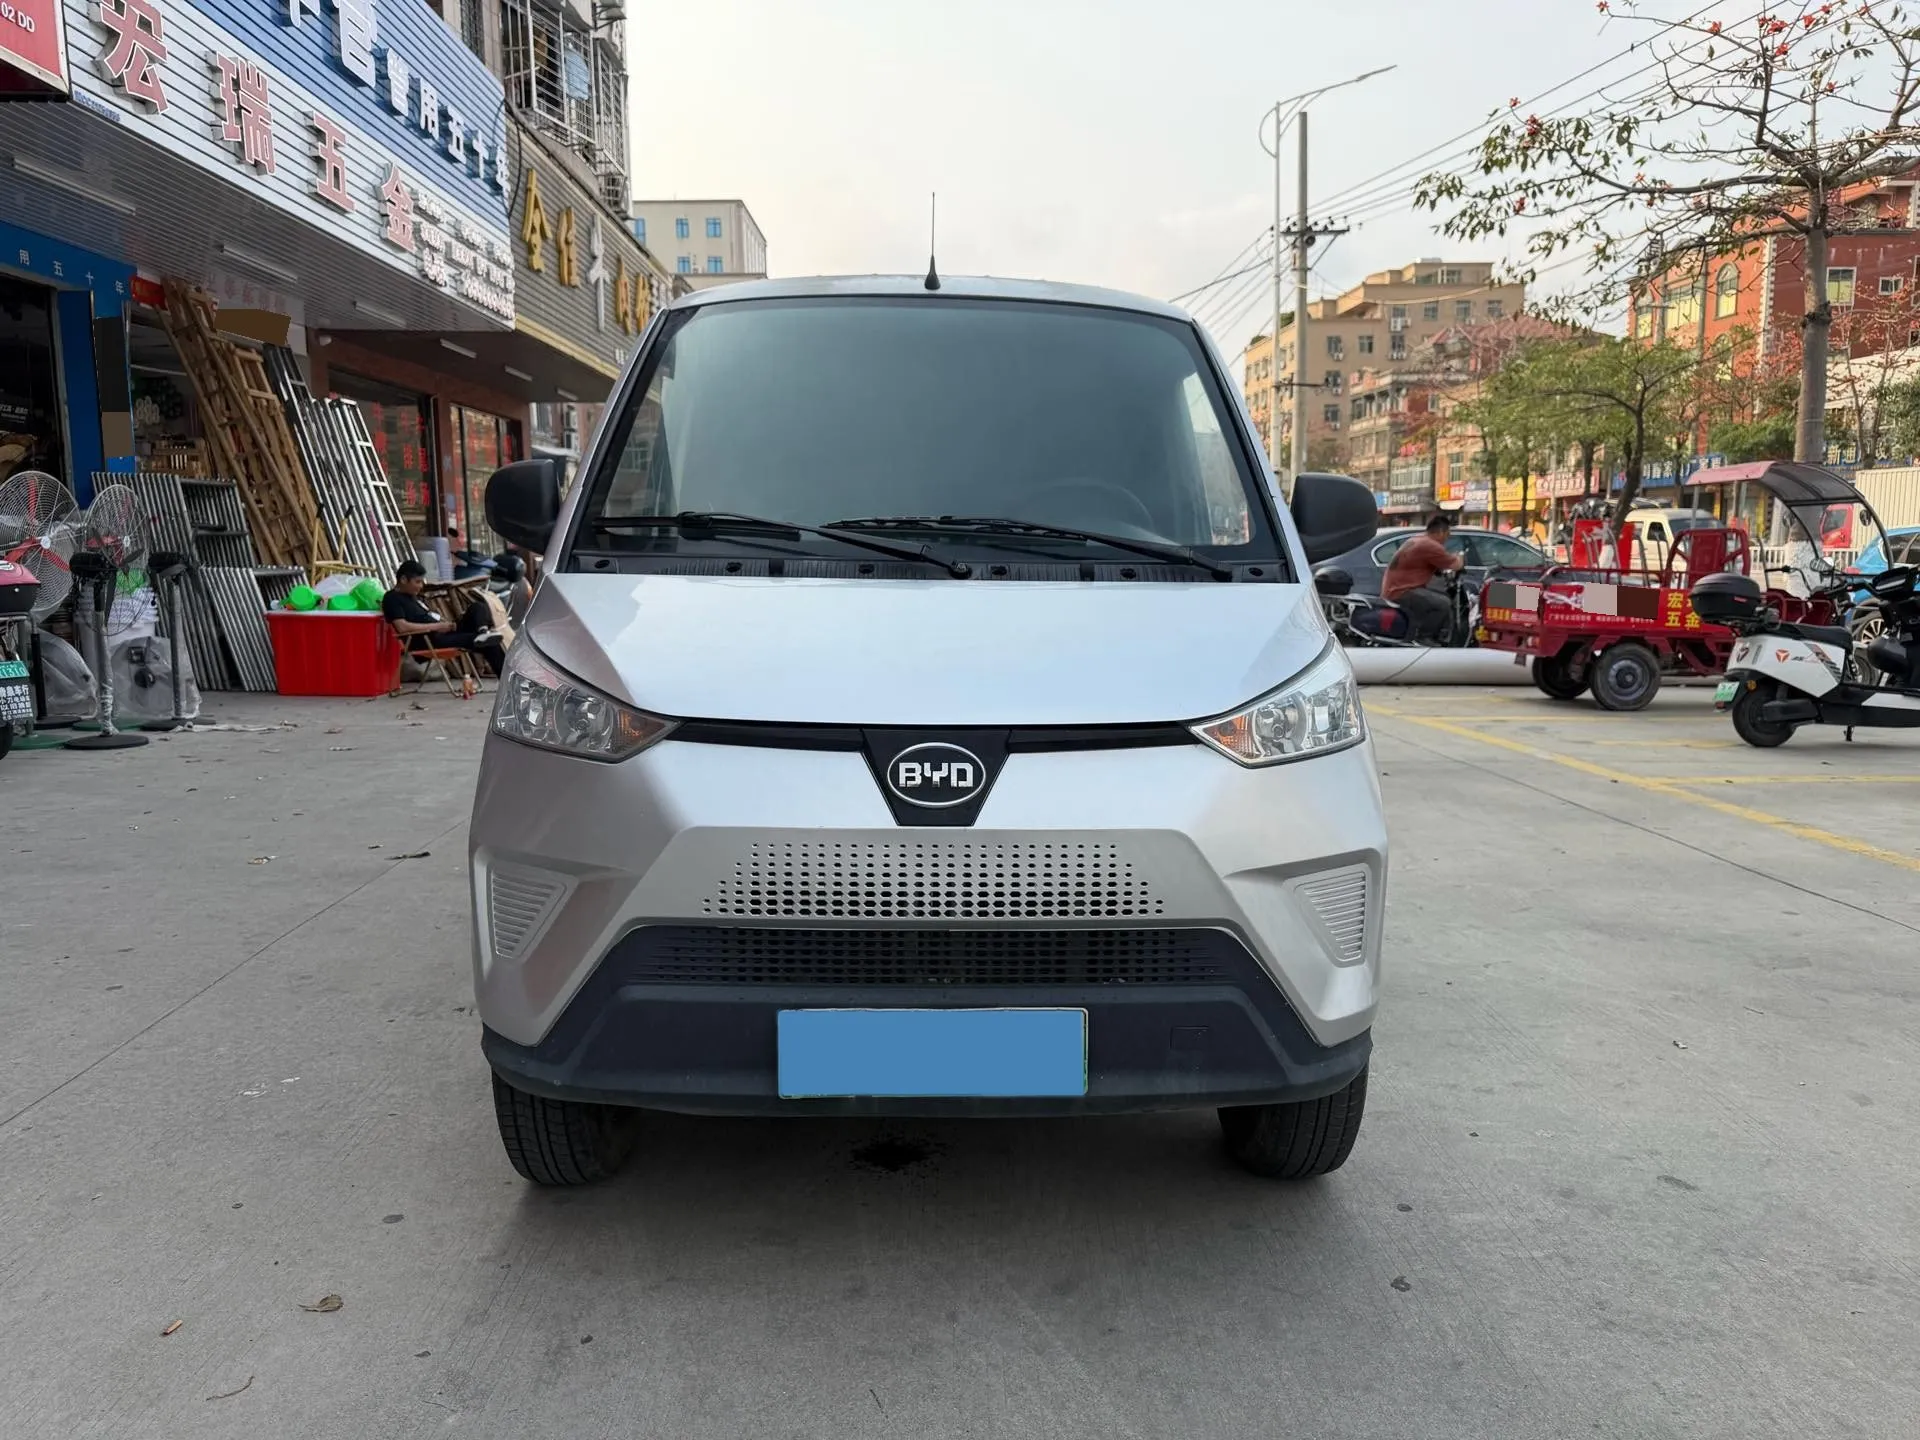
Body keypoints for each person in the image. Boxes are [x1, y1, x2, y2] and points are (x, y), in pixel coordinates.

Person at [382, 559, 506, 675]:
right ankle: (508, 680)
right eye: (417, 582)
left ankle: (483, 631)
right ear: (403, 579)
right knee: (489, 643)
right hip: (430, 640)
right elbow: (402, 627)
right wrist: (437, 626)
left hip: (444, 633)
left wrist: (445, 624)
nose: (421, 586)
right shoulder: (392, 599)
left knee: (478, 607)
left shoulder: (412, 596)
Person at [1383, 515, 1465, 643]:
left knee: (1435, 596)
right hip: (1401, 592)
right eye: (1447, 534)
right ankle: (1424, 637)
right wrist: (1460, 556)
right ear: (1441, 531)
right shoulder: (1431, 545)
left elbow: (1428, 563)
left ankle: (1426, 633)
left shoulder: (1418, 539)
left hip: (1394, 588)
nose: (1447, 538)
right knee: (1443, 603)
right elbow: (1456, 565)